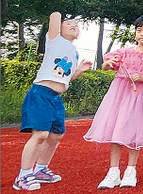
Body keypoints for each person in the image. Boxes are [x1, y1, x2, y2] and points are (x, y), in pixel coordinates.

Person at [83, 14, 143, 189]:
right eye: (139, 30)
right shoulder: (124, 52)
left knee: (134, 133)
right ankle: (113, 171)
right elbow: (106, 65)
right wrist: (109, 63)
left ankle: (131, 170)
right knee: (116, 131)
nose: (142, 34)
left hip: (141, 96)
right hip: (120, 95)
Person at [13, 12, 92, 191]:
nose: (74, 25)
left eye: (76, 25)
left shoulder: (74, 51)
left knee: (56, 135)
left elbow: (65, 78)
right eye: (69, 23)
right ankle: (23, 175)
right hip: (41, 94)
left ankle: (40, 170)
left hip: (56, 98)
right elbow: (55, 16)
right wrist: (59, 13)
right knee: (40, 134)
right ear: (59, 30)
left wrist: (79, 71)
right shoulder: (54, 40)